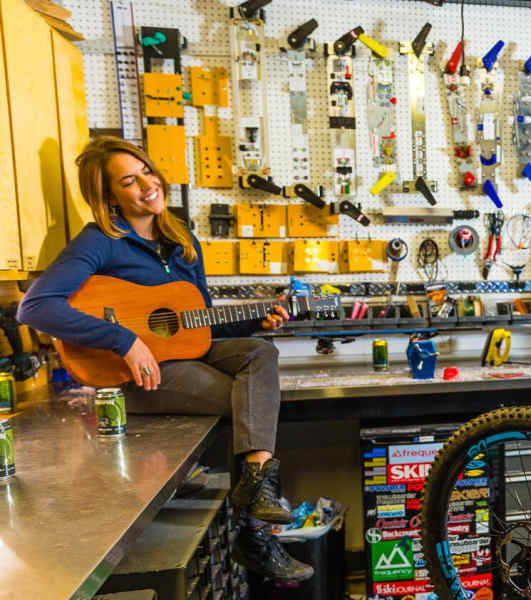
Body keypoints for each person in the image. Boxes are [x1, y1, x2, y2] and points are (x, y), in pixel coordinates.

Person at [16, 136, 313, 583]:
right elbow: (35, 308)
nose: (147, 185)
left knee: (260, 353)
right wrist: (124, 341)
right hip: (136, 375)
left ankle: (254, 492)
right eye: (130, 181)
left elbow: (200, 323)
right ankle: (256, 534)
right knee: (248, 401)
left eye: (147, 172)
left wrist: (258, 319)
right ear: (109, 196)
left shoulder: (179, 238)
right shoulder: (100, 242)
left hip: (186, 354)